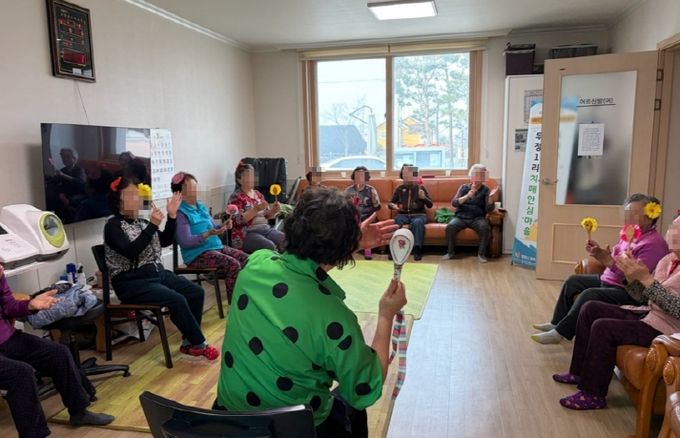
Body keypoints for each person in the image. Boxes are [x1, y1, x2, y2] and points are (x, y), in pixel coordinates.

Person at [216, 187, 403, 437]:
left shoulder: (254, 264)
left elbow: (299, 270)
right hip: (294, 430)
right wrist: (386, 315)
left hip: (228, 420)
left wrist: (346, 245)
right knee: (354, 407)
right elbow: (365, 389)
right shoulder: (334, 317)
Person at [553, 214, 680, 410]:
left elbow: (677, 309)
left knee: (604, 327)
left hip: (669, 330)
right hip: (648, 313)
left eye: (677, 229)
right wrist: (631, 277)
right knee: (591, 308)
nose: (671, 232)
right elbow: (643, 297)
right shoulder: (668, 260)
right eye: (672, 227)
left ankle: (593, 394)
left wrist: (646, 279)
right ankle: (578, 372)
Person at [104, 176, 218, 360]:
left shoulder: (141, 222)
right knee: (177, 299)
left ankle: (188, 342)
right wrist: (152, 226)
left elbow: (164, 241)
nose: (137, 198)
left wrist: (172, 216)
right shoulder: (113, 226)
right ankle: (198, 344)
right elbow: (130, 252)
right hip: (131, 282)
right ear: (118, 201)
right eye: (131, 195)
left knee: (196, 292)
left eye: (137, 194)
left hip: (155, 274)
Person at [531, 194, 669, 344]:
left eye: (634, 213)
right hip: (610, 280)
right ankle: (556, 322)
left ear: (649, 217)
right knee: (573, 281)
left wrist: (609, 262)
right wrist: (601, 253)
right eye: (627, 213)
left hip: (627, 290)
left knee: (590, 294)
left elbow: (635, 279)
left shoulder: (654, 244)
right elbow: (615, 257)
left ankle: (560, 333)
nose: (628, 218)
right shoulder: (630, 233)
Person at [0, 264, 114, 437]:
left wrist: (30, 305)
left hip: (7, 338)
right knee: (21, 374)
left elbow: (7, 305)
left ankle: (79, 412)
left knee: (58, 353)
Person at [172, 172, 248, 304]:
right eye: (192, 188)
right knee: (233, 265)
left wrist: (223, 225)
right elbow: (185, 242)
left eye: (196, 186)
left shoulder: (201, 206)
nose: (196, 190)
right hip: (197, 255)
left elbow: (214, 227)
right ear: (180, 193)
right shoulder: (180, 213)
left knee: (247, 259)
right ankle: (235, 305)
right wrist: (207, 234)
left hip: (216, 247)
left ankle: (247, 298)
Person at [442, 163, 498, 263]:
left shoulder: (486, 190)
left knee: (485, 228)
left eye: (481, 175)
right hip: (460, 217)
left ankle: (481, 254)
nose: (477, 178)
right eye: (476, 174)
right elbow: (454, 203)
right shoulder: (464, 187)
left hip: (477, 218)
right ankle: (450, 252)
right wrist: (467, 196)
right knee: (450, 227)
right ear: (471, 176)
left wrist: (490, 197)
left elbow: (489, 209)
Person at [228, 162, 285, 253]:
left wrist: (274, 211)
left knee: (285, 240)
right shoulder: (235, 197)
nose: (251, 178)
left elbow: (267, 216)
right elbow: (237, 221)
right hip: (247, 233)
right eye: (247, 176)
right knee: (269, 246)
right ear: (239, 180)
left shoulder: (258, 194)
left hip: (265, 229)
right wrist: (255, 209)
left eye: (252, 175)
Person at [388, 164, 432, 261]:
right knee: (396, 221)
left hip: (419, 215)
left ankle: (417, 249)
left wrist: (424, 198)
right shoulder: (399, 189)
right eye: (405, 174)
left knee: (417, 223)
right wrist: (394, 206)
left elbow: (430, 205)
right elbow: (390, 203)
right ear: (402, 175)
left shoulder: (421, 188)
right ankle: (394, 248)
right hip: (402, 215)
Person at [346, 166, 381, 260]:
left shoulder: (371, 190)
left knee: (367, 221)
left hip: (368, 215)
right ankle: (348, 249)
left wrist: (372, 217)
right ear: (354, 177)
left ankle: (367, 249)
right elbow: (344, 206)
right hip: (353, 216)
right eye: (357, 176)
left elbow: (377, 208)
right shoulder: (348, 191)